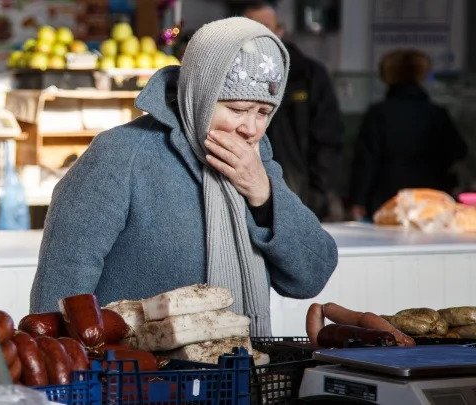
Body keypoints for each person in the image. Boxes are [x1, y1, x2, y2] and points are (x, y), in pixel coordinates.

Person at [30, 17, 338, 336]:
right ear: (201, 94)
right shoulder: (123, 154)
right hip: (137, 378)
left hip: (239, 377)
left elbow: (311, 276)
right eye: (237, 109)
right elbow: (62, 283)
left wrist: (264, 195)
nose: (251, 128)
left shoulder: (256, 162)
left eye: (263, 113)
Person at [238, 1, 345, 221]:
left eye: (265, 27)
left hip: (301, 197)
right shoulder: (232, 76)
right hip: (244, 198)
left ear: (280, 31)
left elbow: (328, 140)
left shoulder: (309, 75)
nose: (259, 35)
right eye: (251, 27)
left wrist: (317, 196)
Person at [349, 49, 467, 221]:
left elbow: (366, 161)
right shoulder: (436, 114)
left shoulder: (379, 113)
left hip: (387, 200)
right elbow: (459, 151)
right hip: (430, 201)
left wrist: (357, 200)